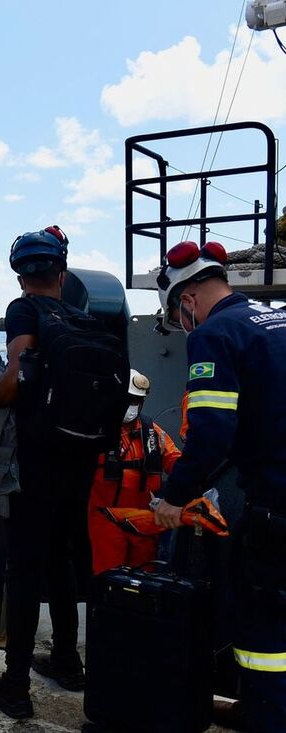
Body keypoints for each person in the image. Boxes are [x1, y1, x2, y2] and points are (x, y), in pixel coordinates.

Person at [0, 225, 100, 719]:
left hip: (37, 458)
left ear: (21, 275)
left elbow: (18, 374)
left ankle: (15, 686)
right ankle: (67, 661)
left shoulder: (25, 309)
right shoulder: (81, 316)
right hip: (79, 458)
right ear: (61, 272)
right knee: (61, 558)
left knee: (22, 568)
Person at [154, 240, 286, 732]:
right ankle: (254, 708)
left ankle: (264, 719)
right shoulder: (277, 320)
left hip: (276, 504)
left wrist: (173, 497)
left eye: (177, 313)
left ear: (186, 301)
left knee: (262, 633)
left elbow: (211, 433)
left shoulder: (214, 335)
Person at [88, 369, 181, 575]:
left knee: (145, 577)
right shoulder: (95, 430)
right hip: (105, 518)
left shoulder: (152, 432)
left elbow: (175, 461)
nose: (133, 406)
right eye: (129, 399)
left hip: (143, 519)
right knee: (108, 577)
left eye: (137, 401)